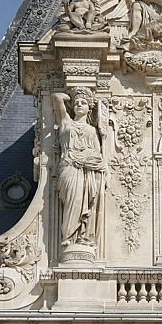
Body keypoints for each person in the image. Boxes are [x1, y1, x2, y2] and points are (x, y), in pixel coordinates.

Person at [52, 88, 108, 252]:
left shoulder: (91, 130)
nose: (79, 105)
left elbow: (99, 156)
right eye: (76, 103)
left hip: (87, 172)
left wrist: (106, 173)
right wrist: (67, 96)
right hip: (69, 168)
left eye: (83, 103)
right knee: (72, 201)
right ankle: (68, 236)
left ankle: (81, 237)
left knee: (83, 202)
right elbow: (56, 98)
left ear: (89, 108)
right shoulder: (66, 123)